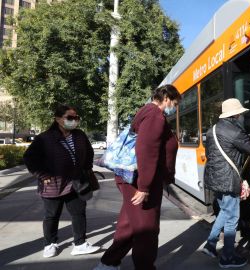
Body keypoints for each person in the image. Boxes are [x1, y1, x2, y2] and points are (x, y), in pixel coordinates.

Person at [94, 84, 181, 270]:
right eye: (175, 102)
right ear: (166, 98)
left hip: (134, 179)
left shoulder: (148, 112)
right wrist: (144, 187)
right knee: (146, 230)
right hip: (139, 181)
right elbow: (147, 151)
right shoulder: (155, 115)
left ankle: (108, 263)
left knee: (128, 225)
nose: (176, 107)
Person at [23, 105, 100, 258]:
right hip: (53, 185)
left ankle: (80, 244)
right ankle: (50, 244)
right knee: (52, 215)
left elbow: (89, 152)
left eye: (76, 118)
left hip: (76, 183)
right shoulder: (45, 138)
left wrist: (87, 168)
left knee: (79, 213)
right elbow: (29, 158)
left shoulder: (79, 135)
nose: (74, 121)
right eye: (70, 118)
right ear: (58, 119)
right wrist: (42, 175)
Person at [202, 98, 250, 268]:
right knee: (232, 218)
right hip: (228, 181)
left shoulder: (211, 130)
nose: (242, 117)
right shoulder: (235, 131)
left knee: (224, 212)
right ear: (236, 115)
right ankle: (227, 257)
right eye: (241, 114)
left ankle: (211, 245)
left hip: (214, 179)